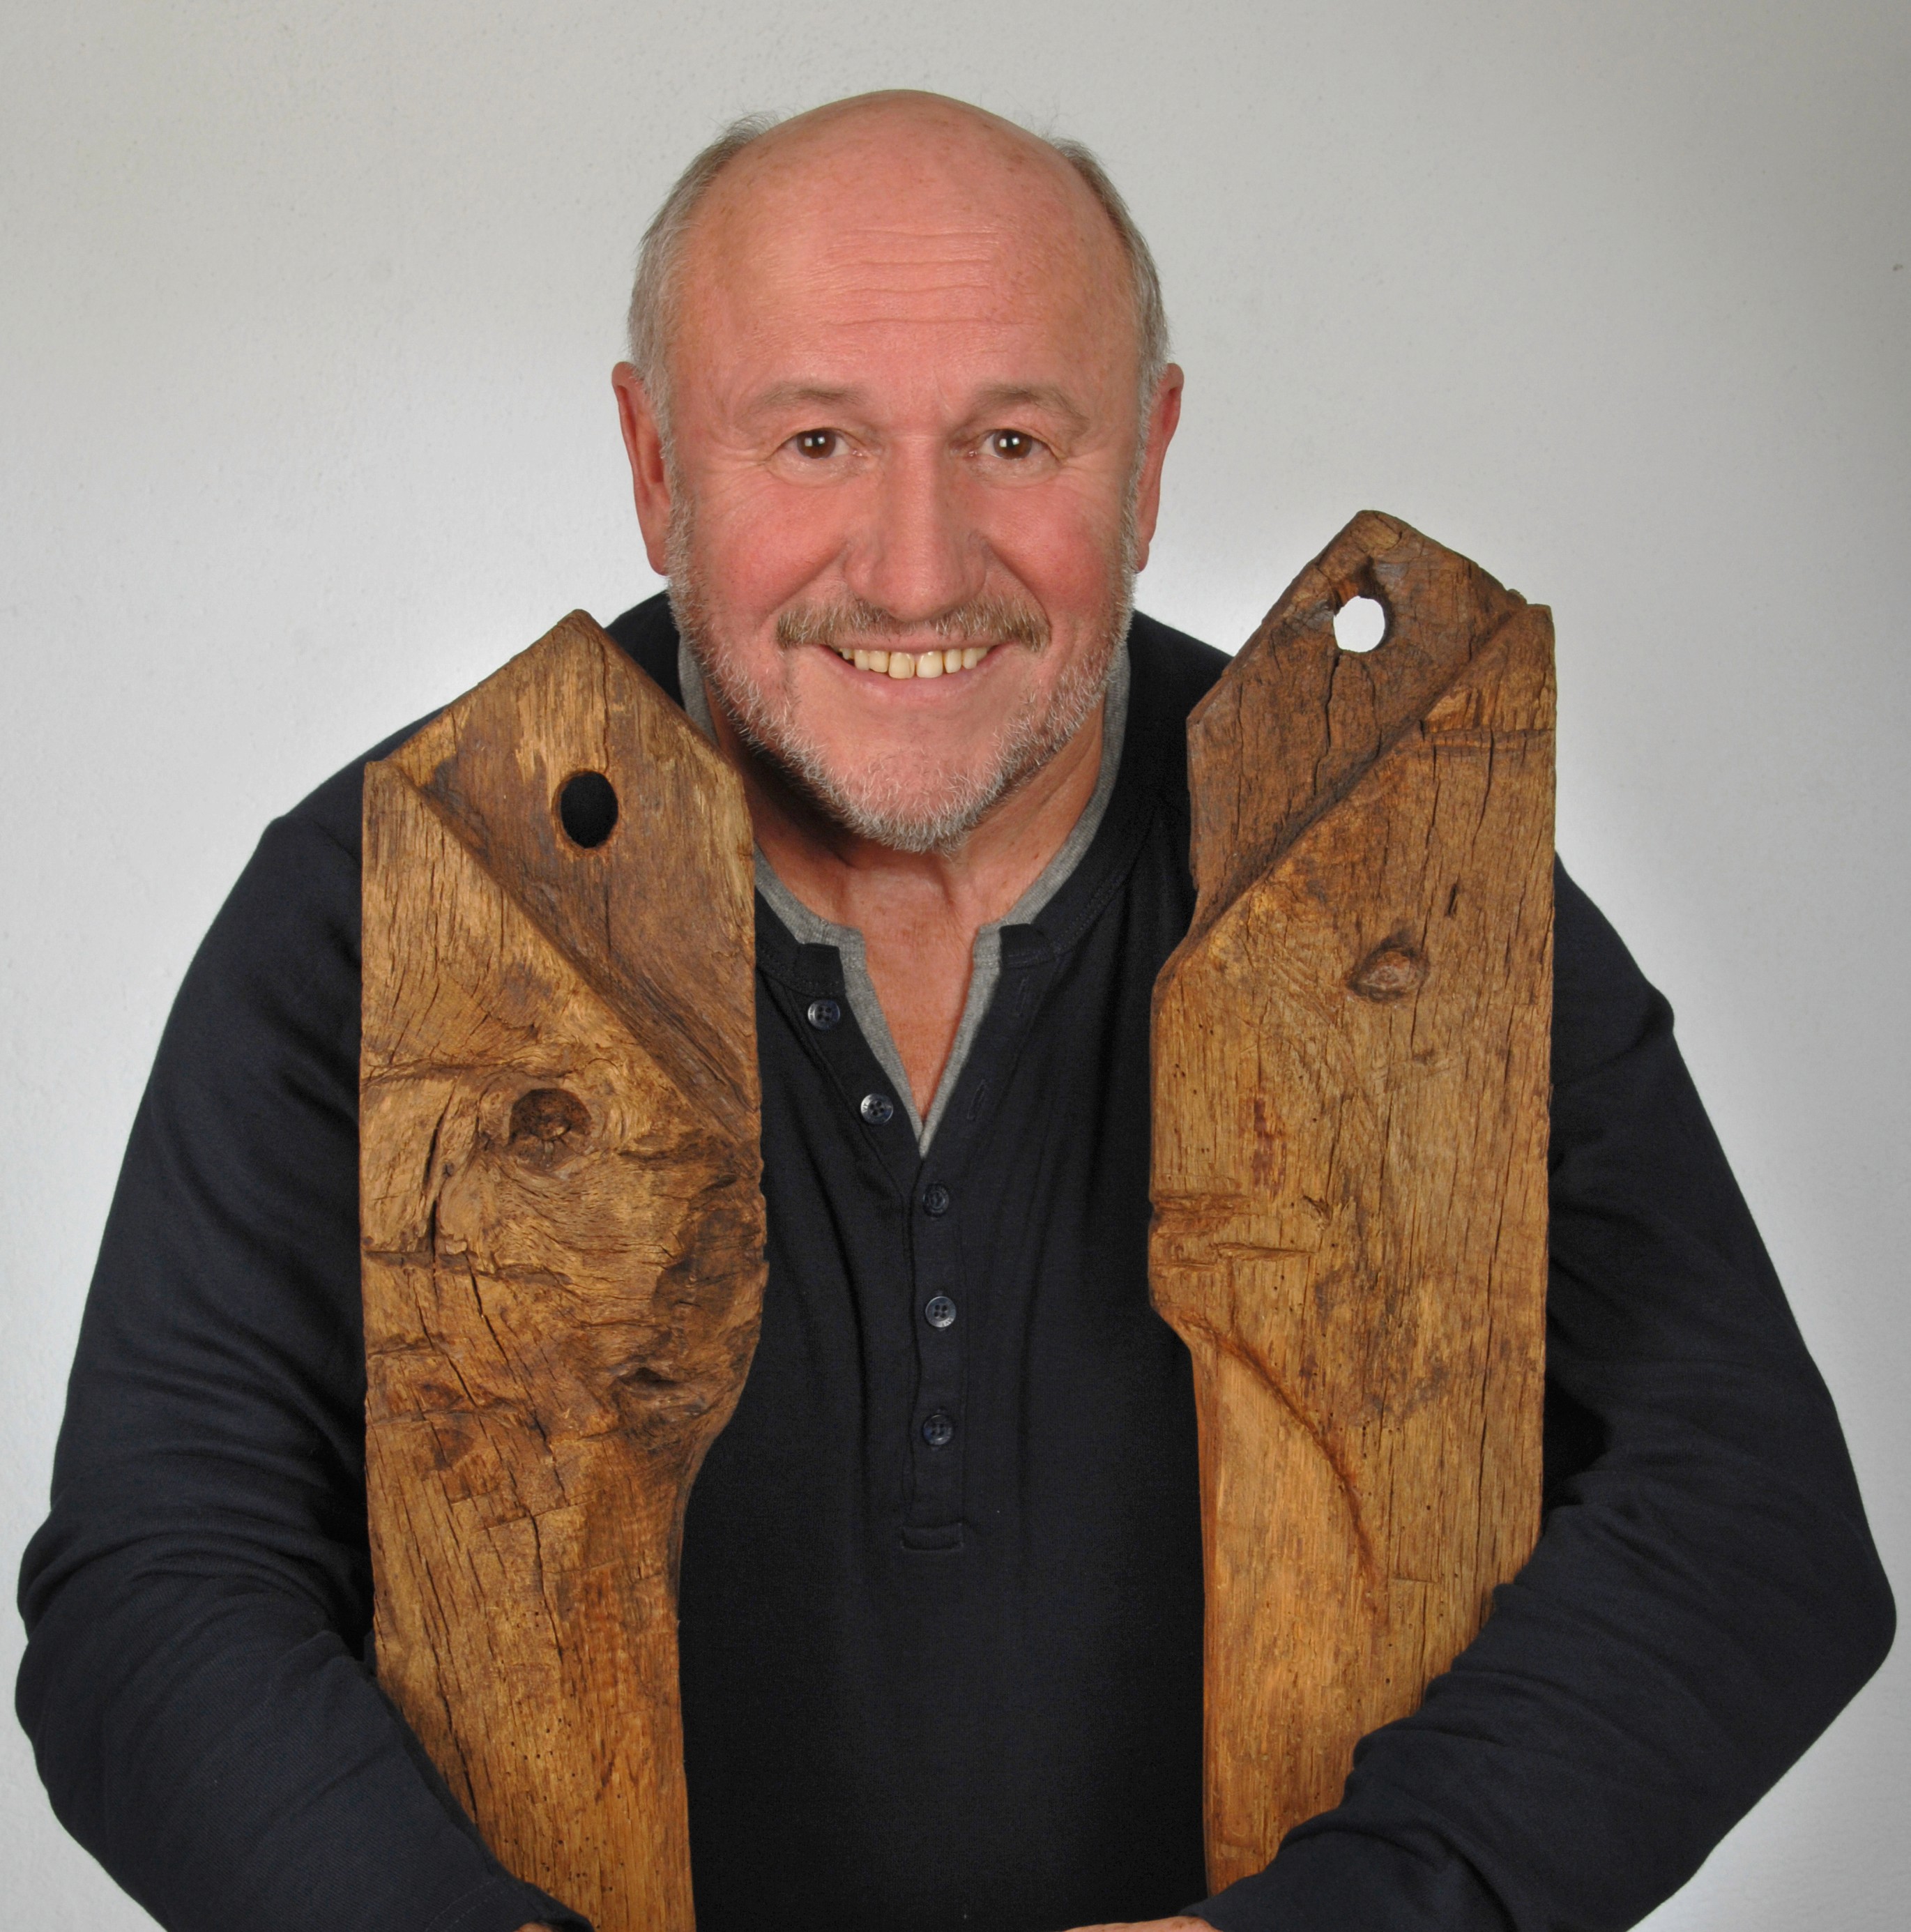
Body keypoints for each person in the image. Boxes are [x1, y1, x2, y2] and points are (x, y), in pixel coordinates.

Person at [16, 90, 1893, 1932]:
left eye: (1013, 440)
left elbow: (1756, 1522)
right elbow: (151, 1594)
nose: (916, 572)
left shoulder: (1392, 871)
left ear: (1148, 461)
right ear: (656, 465)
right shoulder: (392, 896)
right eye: (814, 439)